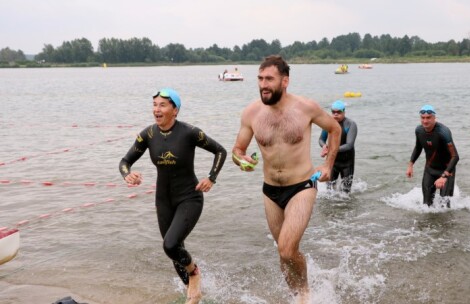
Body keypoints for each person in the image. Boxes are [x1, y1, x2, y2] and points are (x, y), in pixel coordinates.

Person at [231, 55, 341, 303]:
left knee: (286, 248)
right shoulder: (251, 112)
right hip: (270, 191)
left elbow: (335, 128)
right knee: (284, 255)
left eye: (269, 79)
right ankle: (295, 295)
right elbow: (237, 150)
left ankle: (305, 295)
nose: (263, 84)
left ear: (285, 81)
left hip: (302, 186)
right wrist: (241, 160)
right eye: (260, 79)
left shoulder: (305, 107)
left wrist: (328, 165)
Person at [119, 88, 226, 304]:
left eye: (162, 105)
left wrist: (211, 177)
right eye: (155, 105)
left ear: (174, 110)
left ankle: (194, 274)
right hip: (163, 200)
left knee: (170, 244)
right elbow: (124, 161)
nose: (156, 109)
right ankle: (193, 295)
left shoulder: (189, 132)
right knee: (175, 250)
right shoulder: (148, 134)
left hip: (189, 198)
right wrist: (128, 175)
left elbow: (220, 151)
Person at [406, 105, 459, 207]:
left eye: (428, 118)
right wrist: (410, 165)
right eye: (423, 118)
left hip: (446, 171)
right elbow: (418, 147)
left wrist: (444, 176)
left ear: (434, 118)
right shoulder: (419, 130)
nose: (425, 121)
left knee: (445, 207)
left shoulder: (443, 132)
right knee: (426, 205)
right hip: (430, 170)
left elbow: (455, 156)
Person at [319, 100, 358, 193]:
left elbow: (349, 145)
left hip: (347, 162)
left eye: (339, 112)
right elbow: (321, 139)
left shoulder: (351, 124)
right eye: (333, 112)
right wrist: (324, 146)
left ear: (344, 111)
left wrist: (331, 150)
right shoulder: (329, 124)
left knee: (346, 192)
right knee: (329, 190)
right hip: (332, 161)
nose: (336, 114)